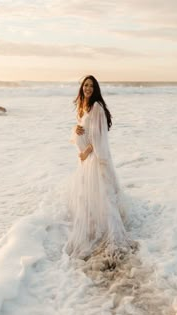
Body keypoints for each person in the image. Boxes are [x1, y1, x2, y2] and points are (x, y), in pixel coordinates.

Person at [64, 75, 137, 260]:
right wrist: (75, 129)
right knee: (90, 195)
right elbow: (85, 129)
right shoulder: (82, 107)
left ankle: (112, 232)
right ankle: (95, 224)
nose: (88, 88)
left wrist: (87, 152)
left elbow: (99, 136)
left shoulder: (97, 107)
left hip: (94, 158)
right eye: (85, 85)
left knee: (104, 195)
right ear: (82, 88)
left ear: (95, 89)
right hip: (86, 159)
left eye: (91, 86)